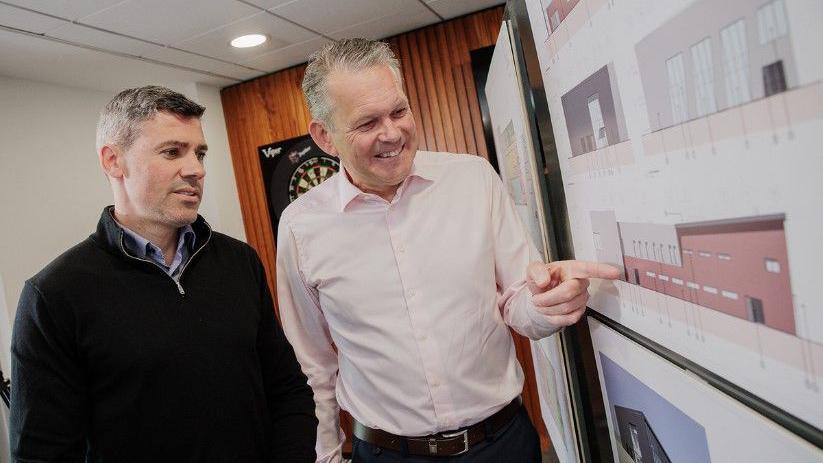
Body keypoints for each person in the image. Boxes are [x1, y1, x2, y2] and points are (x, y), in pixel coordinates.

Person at [276, 38, 620, 463]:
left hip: (502, 444)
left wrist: (548, 303)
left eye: (399, 111)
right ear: (325, 136)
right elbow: (313, 364)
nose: (392, 133)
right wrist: (325, 454)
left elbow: (518, 299)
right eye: (367, 124)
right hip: (388, 453)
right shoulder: (299, 228)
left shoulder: (473, 180)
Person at [10, 86, 317, 462]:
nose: (196, 170)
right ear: (113, 161)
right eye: (172, 152)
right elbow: (42, 454)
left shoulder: (239, 262)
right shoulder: (54, 296)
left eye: (200, 153)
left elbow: (288, 390)